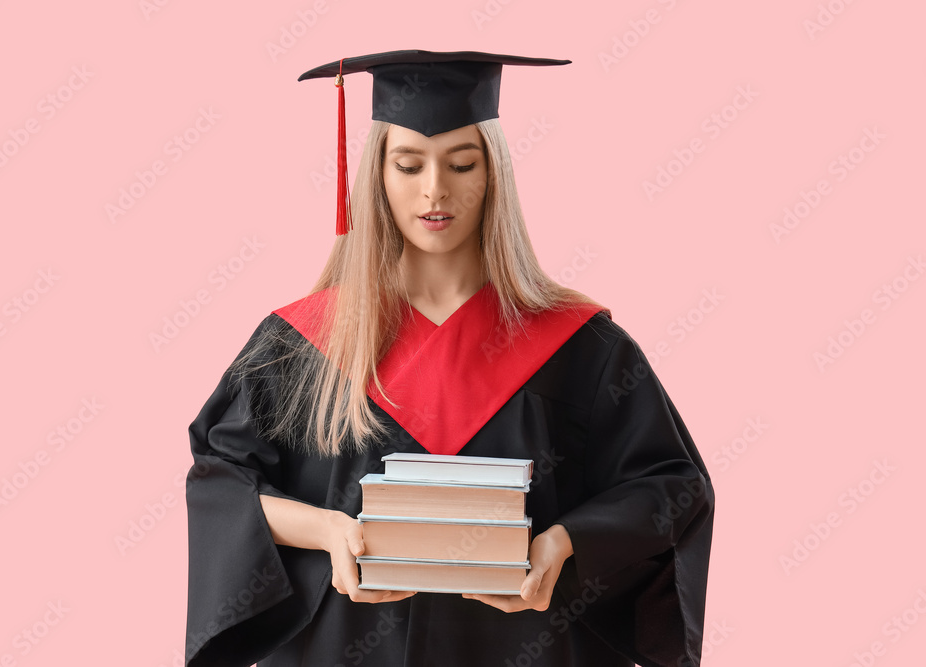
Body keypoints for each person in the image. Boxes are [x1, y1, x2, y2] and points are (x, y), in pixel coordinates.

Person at [184, 50, 714, 667]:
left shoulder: (579, 347)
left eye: (462, 164)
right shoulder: (302, 344)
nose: (435, 189)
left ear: (495, 176)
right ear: (377, 177)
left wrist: (563, 545)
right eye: (408, 166)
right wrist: (330, 532)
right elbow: (221, 482)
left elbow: (672, 489)